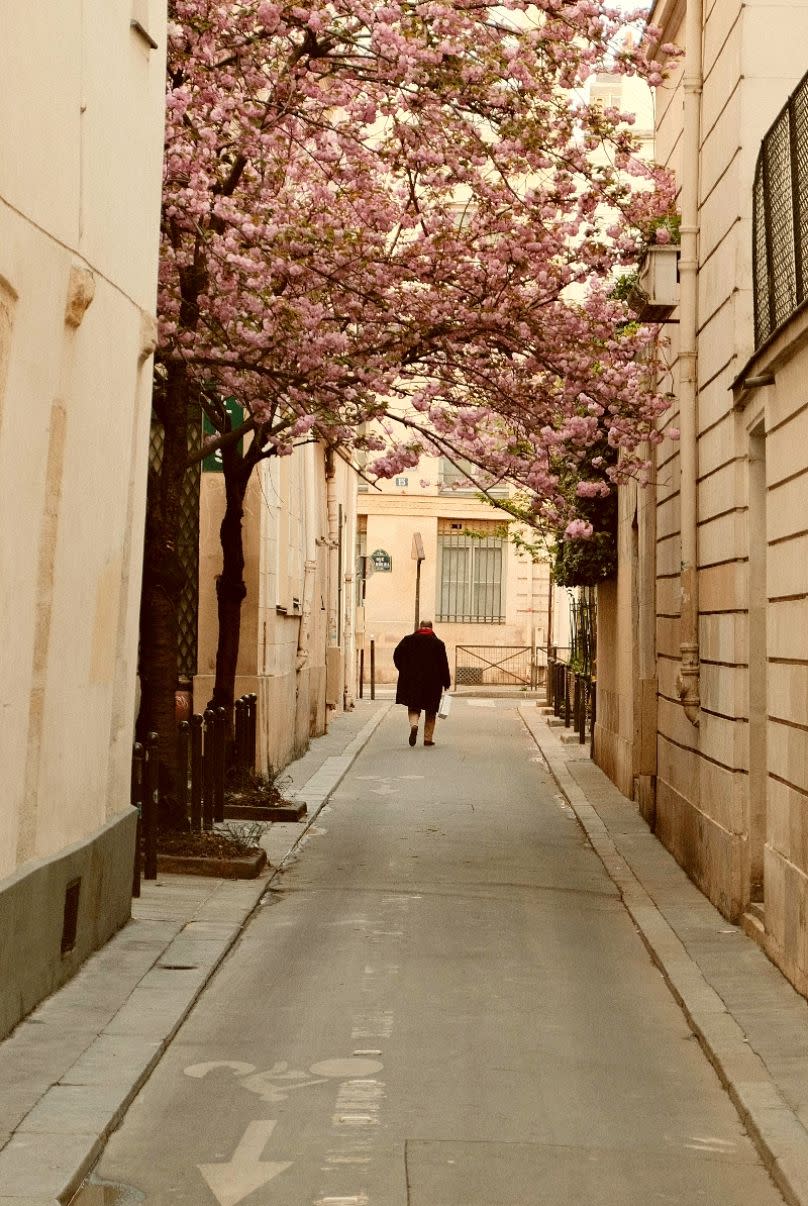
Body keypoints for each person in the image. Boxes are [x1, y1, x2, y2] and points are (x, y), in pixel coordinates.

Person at [393, 619, 451, 747]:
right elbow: (443, 665)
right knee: (431, 710)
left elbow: (396, 656)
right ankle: (427, 739)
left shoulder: (407, 640)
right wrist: (446, 682)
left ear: (420, 627)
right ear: (431, 628)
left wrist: (403, 670)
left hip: (411, 681)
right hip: (433, 683)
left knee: (413, 706)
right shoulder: (438, 644)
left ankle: (414, 725)